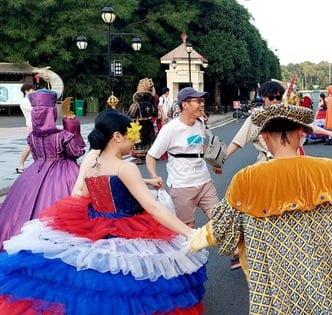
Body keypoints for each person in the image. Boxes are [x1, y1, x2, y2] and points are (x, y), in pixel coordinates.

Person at [187, 103, 332, 314]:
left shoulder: (247, 179)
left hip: (274, 285)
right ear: (301, 133)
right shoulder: (330, 171)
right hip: (323, 280)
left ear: (265, 137)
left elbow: (222, 228)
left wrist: (193, 239)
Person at [0, 110, 208, 314]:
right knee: (136, 283)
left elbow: (83, 195)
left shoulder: (92, 164)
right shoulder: (125, 167)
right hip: (131, 229)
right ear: (117, 137)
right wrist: (190, 233)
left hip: (97, 225)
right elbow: (152, 207)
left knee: (97, 284)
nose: (134, 142)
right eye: (131, 137)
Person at [0, 89, 86, 250]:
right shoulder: (63, 136)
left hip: (34, 173)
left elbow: (35, 156)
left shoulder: (31, 137)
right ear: (52, 113)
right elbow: (77, 153)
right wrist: (73, 130)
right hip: (65, 175)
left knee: (20, 212)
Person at [146, 87, 221, 229]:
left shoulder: (199, 123)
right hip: (182, 186)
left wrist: (214, 162)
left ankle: (236, 250)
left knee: (220, 222)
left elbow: (198, 147)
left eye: (202, 101)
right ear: (185, 105)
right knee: (187, 228)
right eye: (198, 101)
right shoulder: (170, 129)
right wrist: (154, 176)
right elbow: (151, 156)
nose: (202, 104)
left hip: (205, 182)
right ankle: (189, 252)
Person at [127, 78, 157, 165]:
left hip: (139, 124)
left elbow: (130, 114)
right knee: (148, 139)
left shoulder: (136, 105)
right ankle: (148, 155)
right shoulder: (150, 105)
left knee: (139, 140)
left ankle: (139, 157)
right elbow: (155, 113)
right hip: (149, 123)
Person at [16, 83, 35, 173]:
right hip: (31, 125)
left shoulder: (30, 100)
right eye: (32, 89)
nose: (33, 91)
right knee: (30, 146)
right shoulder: (24, 101)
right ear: (26, 91)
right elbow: (34, 109)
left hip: (35, 125)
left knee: (34, 146)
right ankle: (21, 165)